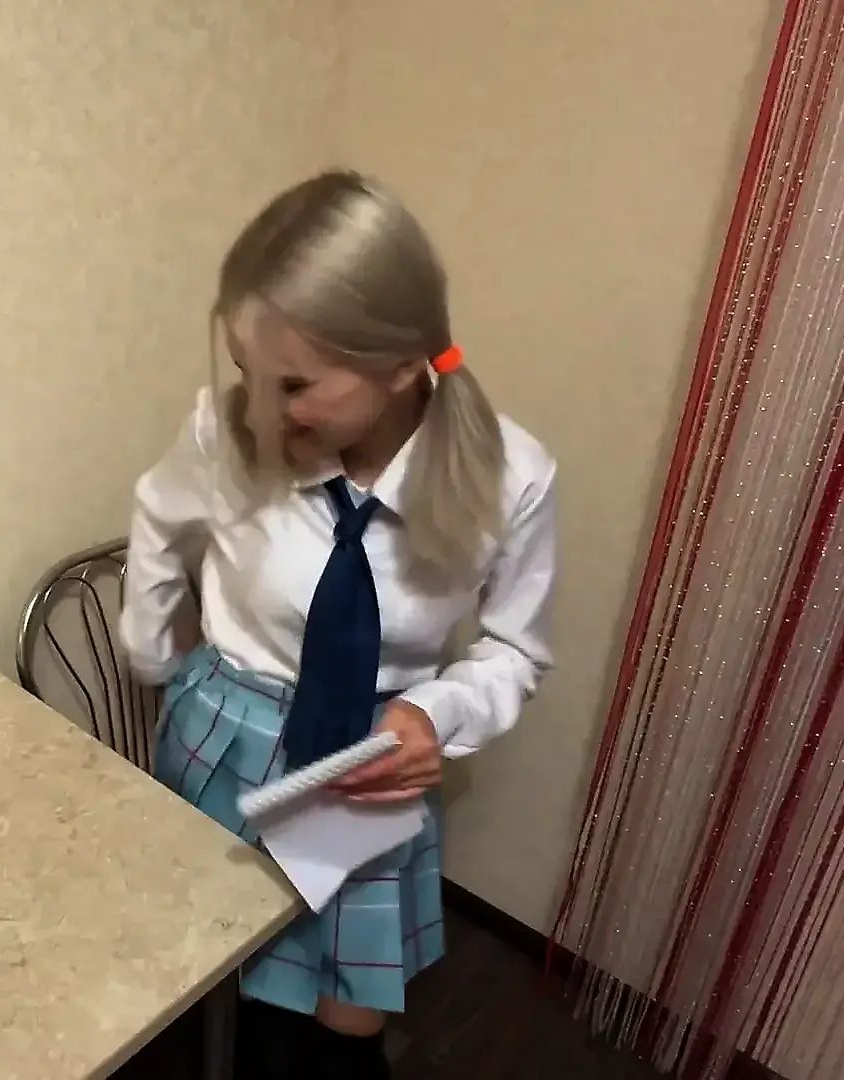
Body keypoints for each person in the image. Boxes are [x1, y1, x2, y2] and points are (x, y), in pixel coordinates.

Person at [119, 170, 556, 1080]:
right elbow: (159, 517)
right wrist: (158, 655)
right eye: (247, 374)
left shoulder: (511, 478)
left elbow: (516, 649)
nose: (261, 412)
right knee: (205, 984)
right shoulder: (226, 431)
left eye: (295, 385)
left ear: (400, 363)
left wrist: (438, 713)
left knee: (338, 1027)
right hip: (224, 741)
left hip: (365, 770)